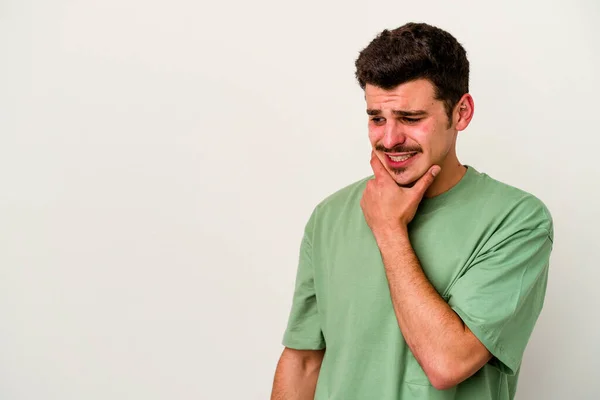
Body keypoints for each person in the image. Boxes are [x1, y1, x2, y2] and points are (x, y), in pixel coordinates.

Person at [270, 22, 554, 400]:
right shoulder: (329, 216)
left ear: (462, 113)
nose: (389, 139)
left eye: (410, 118)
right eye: (377, 118)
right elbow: (304, 361)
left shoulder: (517, 220)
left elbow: (447, 363)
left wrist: (388, 228)